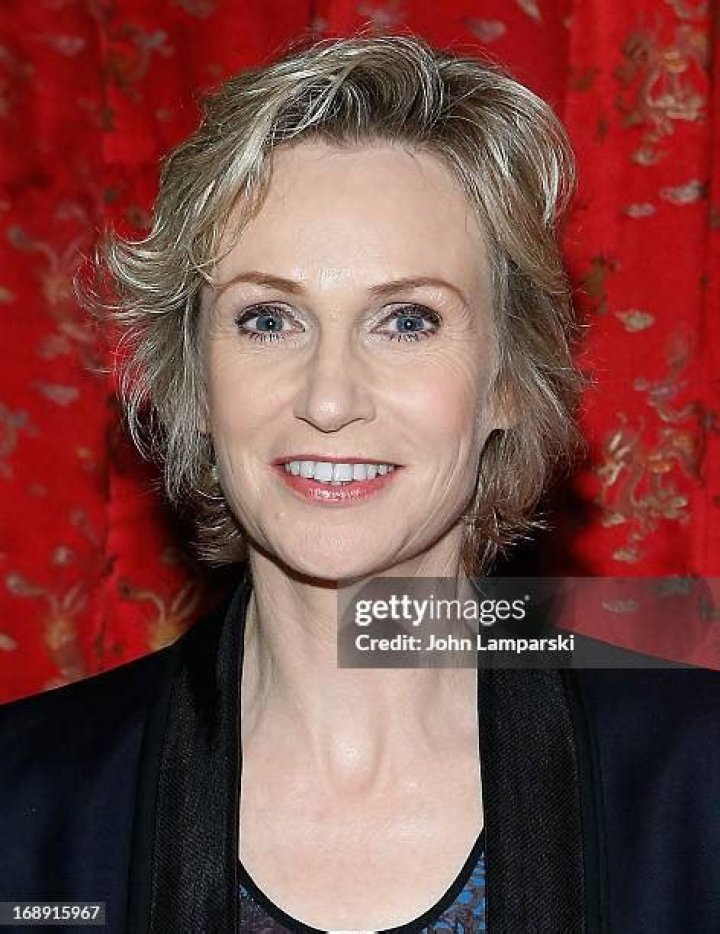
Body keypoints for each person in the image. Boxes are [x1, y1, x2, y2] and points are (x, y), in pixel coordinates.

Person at [1, 32, 719, 934]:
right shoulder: (25, 805)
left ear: (506, 379)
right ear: (196, 380)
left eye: (407, 321)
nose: (330, 398)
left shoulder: (698, 786)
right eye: (268, 319)